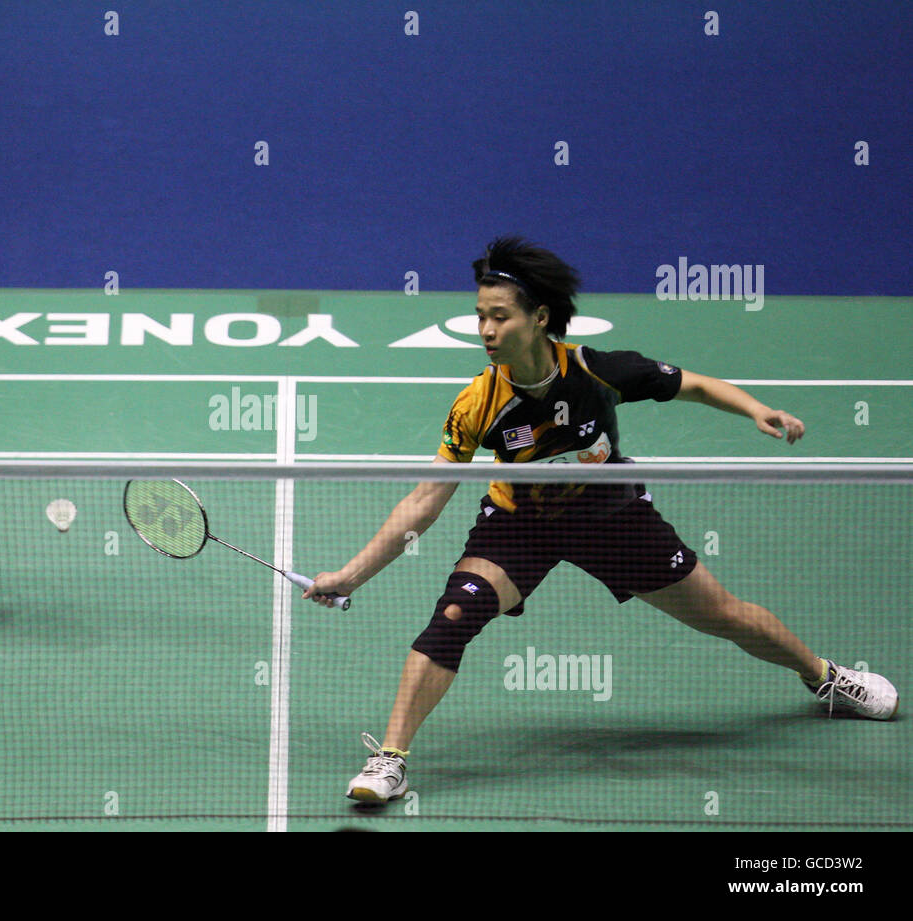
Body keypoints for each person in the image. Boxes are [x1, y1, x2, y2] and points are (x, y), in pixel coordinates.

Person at [303, 236, 899, 804]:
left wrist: (756, 409)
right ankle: (391, 756)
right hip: (520, 526)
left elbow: (689, 385)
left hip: (612, 517)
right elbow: (424, 500)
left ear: (539, 318)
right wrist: (352, 575)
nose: (485, 330)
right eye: (479, 315)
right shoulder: (476, 404)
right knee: (456, 614)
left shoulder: (596, 370)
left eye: (500, 316)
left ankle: (823, 675)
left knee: (723, 615)